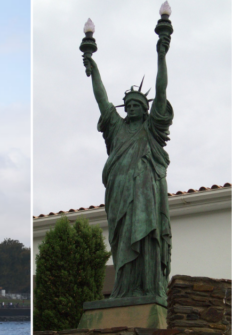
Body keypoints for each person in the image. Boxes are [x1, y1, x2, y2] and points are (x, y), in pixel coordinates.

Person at [83, 32, 172, 299]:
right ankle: (124, 290)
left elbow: (161, 90)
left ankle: (147, 287)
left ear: (146, 110)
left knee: (145, 239)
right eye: (129, 105)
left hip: (145, 195)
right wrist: (92, 66)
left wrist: (161, 56)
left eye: (138, 105)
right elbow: (101, 99)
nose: (132, 108)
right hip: (118, 196)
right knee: (121, 241)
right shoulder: (116, 129)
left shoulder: (152, 129)